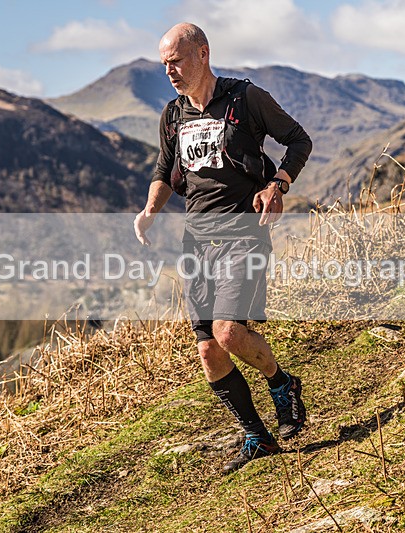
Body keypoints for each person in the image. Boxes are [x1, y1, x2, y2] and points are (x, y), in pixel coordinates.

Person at [133, 22, 312, 473]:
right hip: (197, 242)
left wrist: (277, 185)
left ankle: (281, 382)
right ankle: (258, 436)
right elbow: (162, 168)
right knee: (208, 351)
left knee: (229, 333)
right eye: (164, 64)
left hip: (243, 235)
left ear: (203, 54)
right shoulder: (173, 114)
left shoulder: (245, 98)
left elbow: (298, 140)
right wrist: (151, 209)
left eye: (176, 61)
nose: (169, 71)